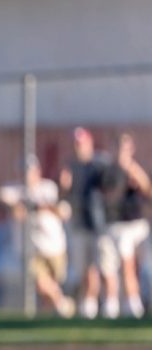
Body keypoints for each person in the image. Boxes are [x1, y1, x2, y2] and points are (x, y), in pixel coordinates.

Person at [0, 155, 74, 317]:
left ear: (37, 171)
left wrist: (39, 207)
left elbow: (59, 209)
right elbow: (2, 195)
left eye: (30, 171)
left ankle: (47, 320)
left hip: (54, 246)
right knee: (40, 283)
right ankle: (62, 304)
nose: (27, 175)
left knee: (50, 289)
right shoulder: (17, 190)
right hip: (32, 249)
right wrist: (17, 206)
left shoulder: (48, 188)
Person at [59, 127, 114, 318]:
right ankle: (89, 304)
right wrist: (64, 186)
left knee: (106, 267)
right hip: (80, 225)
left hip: (100, 225)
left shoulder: (99, 163)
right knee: (85, 268)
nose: (78, 147)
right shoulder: (72, 166)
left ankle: (111, 305)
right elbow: (64, 195)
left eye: (81, 143)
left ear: (89, 143)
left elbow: (111, 185)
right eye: (76, 144)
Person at [100, 132, 151, 318]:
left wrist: (134, 173)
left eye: (126, 148)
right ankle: (123, 304)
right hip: (117, 226)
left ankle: (136, 303)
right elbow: (109, 197)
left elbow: (148, 190)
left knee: (139, 265)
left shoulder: (138, 168)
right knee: (117, 266)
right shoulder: (108, 171)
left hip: (137, 225)